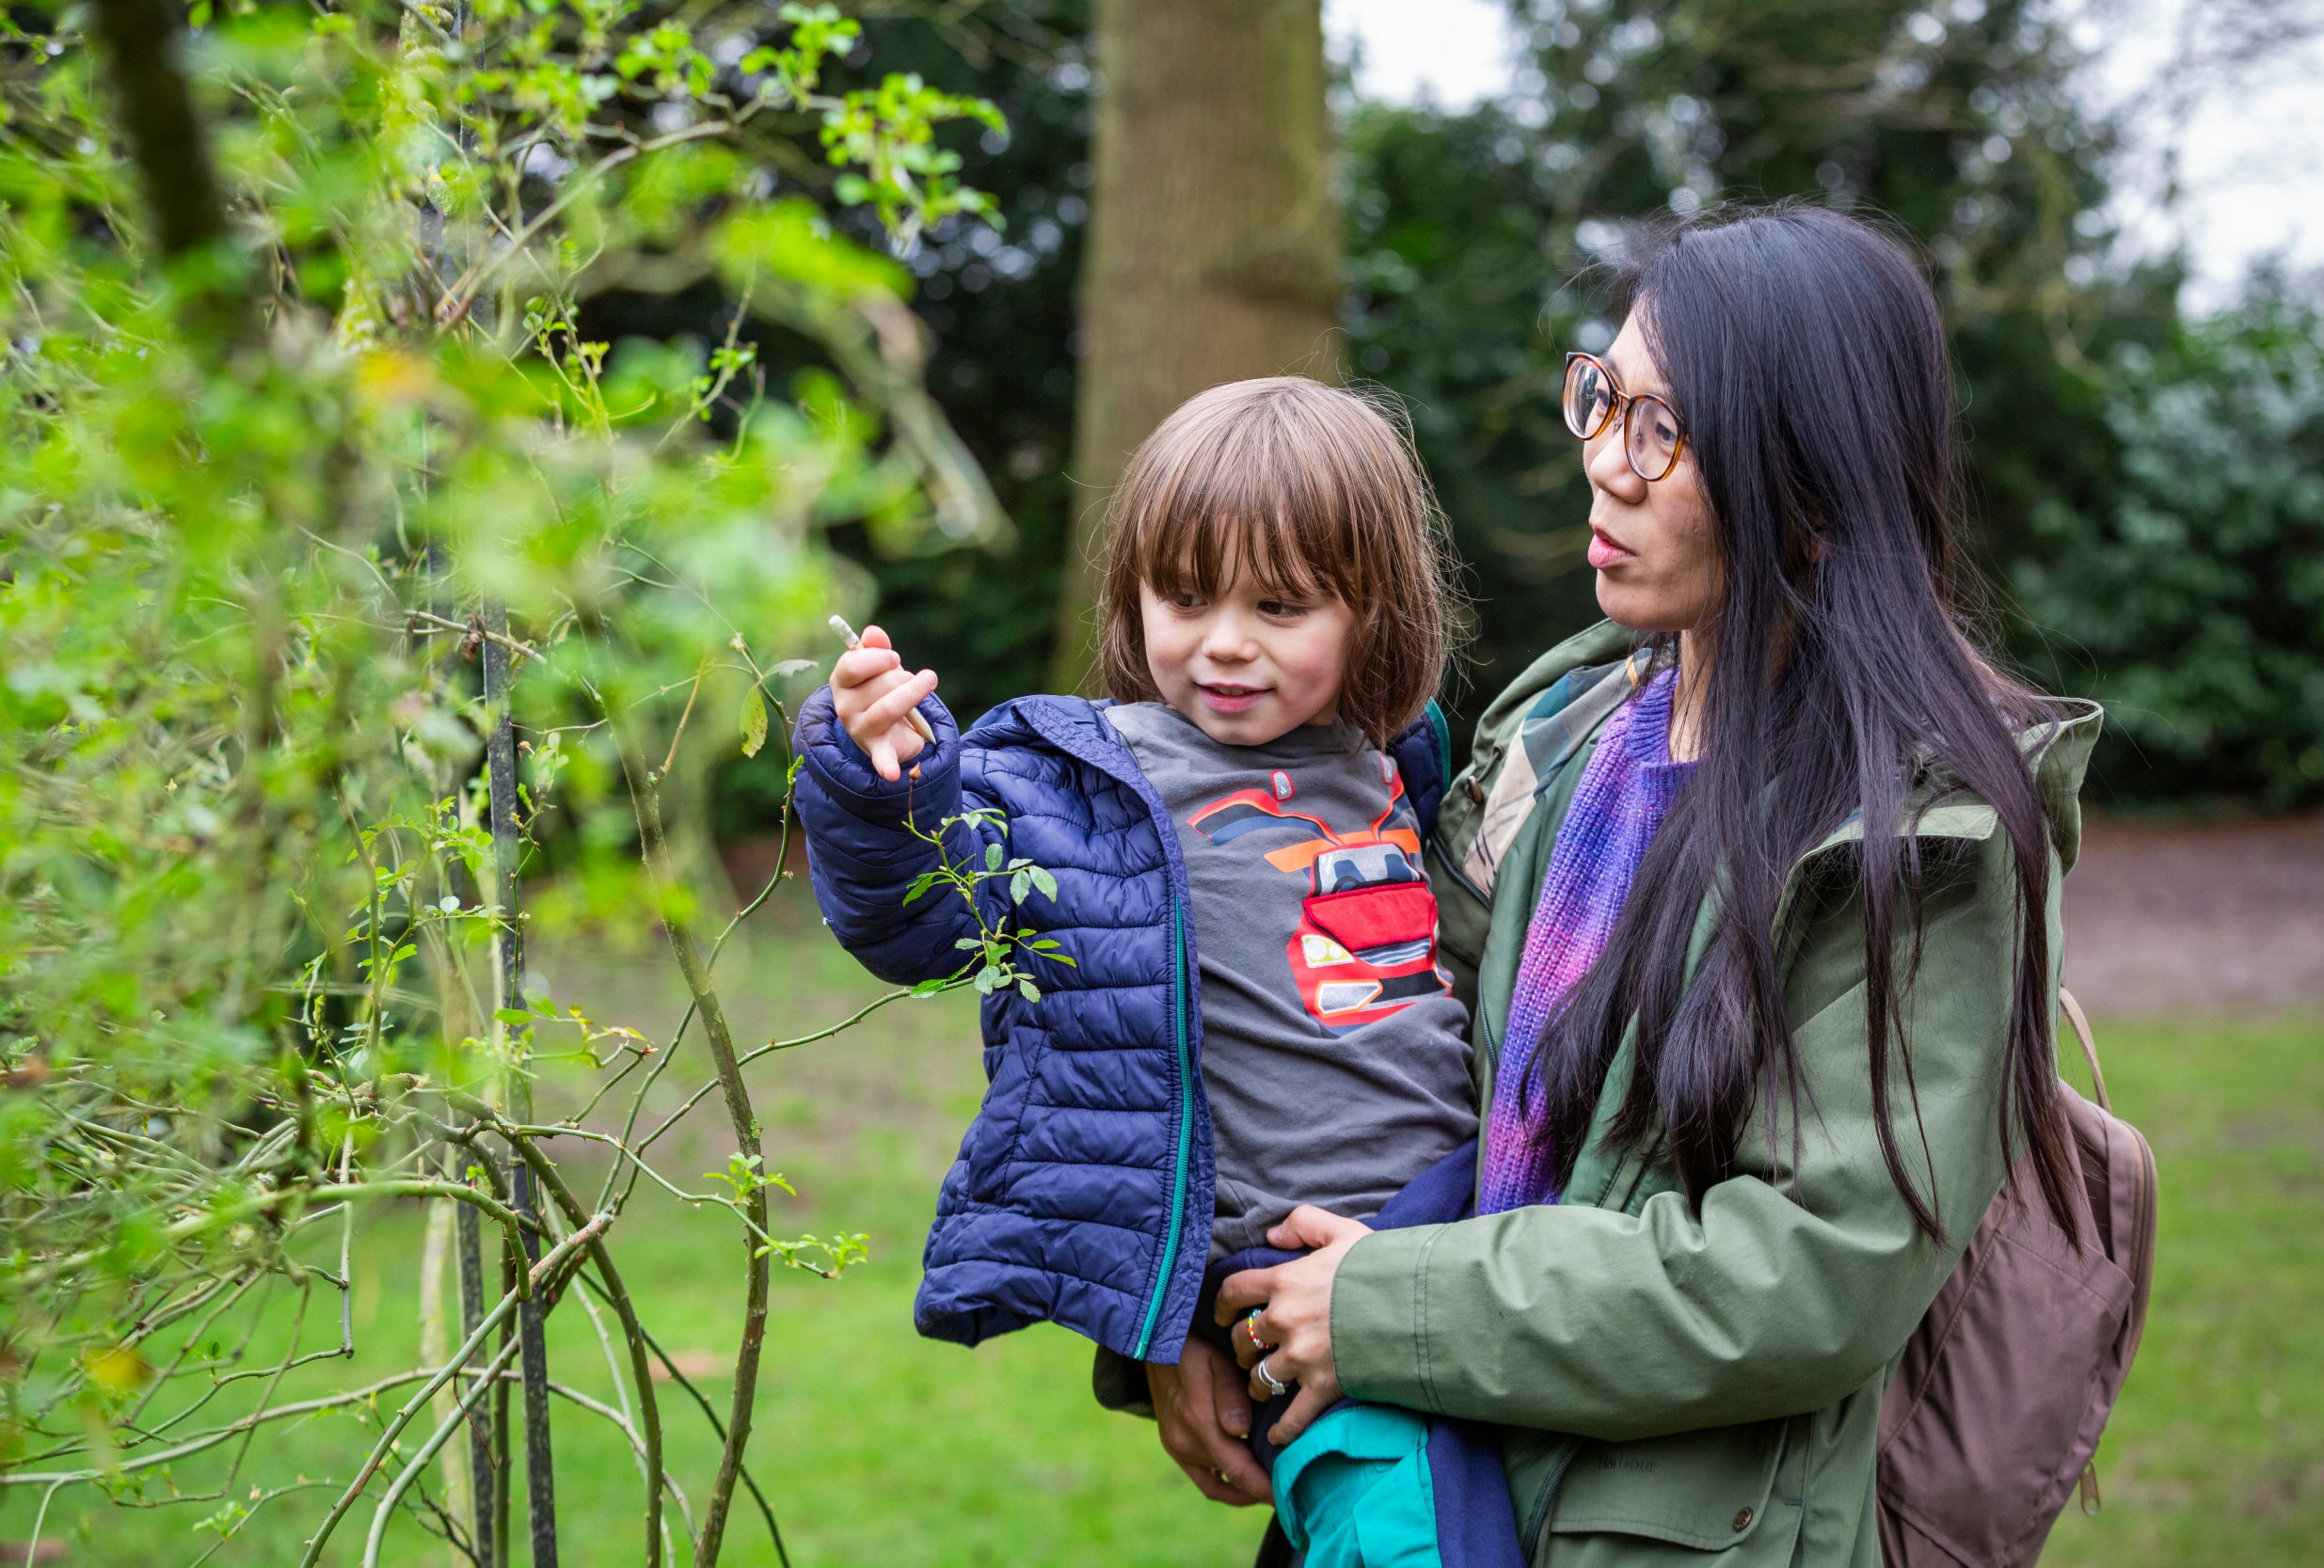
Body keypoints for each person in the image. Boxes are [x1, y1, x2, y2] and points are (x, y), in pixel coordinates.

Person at [1193, 202, 2104, 1566]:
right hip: (1436, 1477)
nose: (1606, 468)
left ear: (1809, 485)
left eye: (1661, 430)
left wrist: (1386, 1310)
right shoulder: (1555, 733)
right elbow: (1354, 1041)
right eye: (1602, 398)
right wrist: (1195, 1315)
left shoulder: (1925, 833)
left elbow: (1809, 1270)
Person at [793, 376, 1501, 1562]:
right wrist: (884, 782)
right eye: (1185, 595)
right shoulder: (1080, 782)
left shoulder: (1387, 761)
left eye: (1279, 605)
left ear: (1372, 612)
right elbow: (922, 920)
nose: (1224, 641)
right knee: (1402, 1531)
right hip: (1288, 1279)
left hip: (1461, 1236)